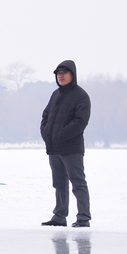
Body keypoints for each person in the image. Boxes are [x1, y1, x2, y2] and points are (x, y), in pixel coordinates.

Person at [40, 60, 92, 228]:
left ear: (73, 75)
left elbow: (80, 121)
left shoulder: (81, 96)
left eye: (64, 72)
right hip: (54, 148)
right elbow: (45, 116)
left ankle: (83, 217)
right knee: (59, 183)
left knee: (78, 182)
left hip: (71, 149)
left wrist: (61, 136)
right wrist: (47, 134)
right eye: (58, 73)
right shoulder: (56, 95)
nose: (60, 76)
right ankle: (59, 216)